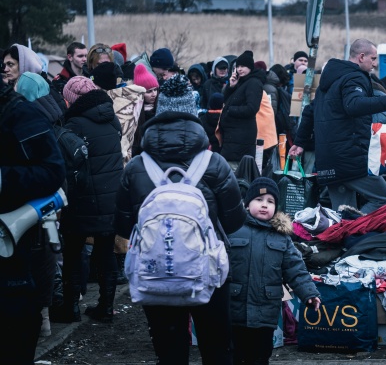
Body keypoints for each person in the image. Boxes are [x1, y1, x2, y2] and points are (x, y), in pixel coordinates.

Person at [114, 99, 246, 364]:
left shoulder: (137, 166)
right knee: (216, 345)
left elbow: (122, 225)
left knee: (169, 349)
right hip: (207, 271)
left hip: (156, 272)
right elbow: (234, 222)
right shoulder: (215, 163)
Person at [0, 76, 65, 363]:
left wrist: (3, 179)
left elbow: (53, 171)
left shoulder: (19, 113)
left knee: (15, 323)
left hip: (10, 248)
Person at [228, 177, 321, 364]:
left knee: (260, 355)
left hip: (265, 311)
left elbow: (295, 268)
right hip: (235, 308)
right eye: (259, 200)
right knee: (234, 355)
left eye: (270, 201)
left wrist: (309, 293)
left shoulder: (282, 237)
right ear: (247, 205)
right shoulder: (233, 229)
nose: (264, 205)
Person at [309, 38, 386, 213]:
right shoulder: (355, 76)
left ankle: (346, 233)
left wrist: (300, 144)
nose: (375, 64)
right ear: (361, 57)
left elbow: (309, 111)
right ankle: (355, 225)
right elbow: (353, 104)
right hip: (349, 158)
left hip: (327, 160)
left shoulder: (327, 81)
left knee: (344, 211)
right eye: (373, 58)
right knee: (384, 200)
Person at [59, 88, 123, 323]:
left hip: (81, 200)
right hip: (110, 198)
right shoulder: (112, 119)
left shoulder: (74, 124)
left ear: (73, 100)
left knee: (74, 252)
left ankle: (70, 307)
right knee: (106, 252)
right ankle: (106, 307)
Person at [219, 50, 265, 170]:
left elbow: (252, 108)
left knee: (236, 171)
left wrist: (230, 110)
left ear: (250, 67)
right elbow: (225, 101)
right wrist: (231, 86)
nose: (240, 69)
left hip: (241, 137)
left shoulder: (253, 83)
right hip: (234, 137)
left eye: (243, 66)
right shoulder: (241, 82)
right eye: (238, 66)